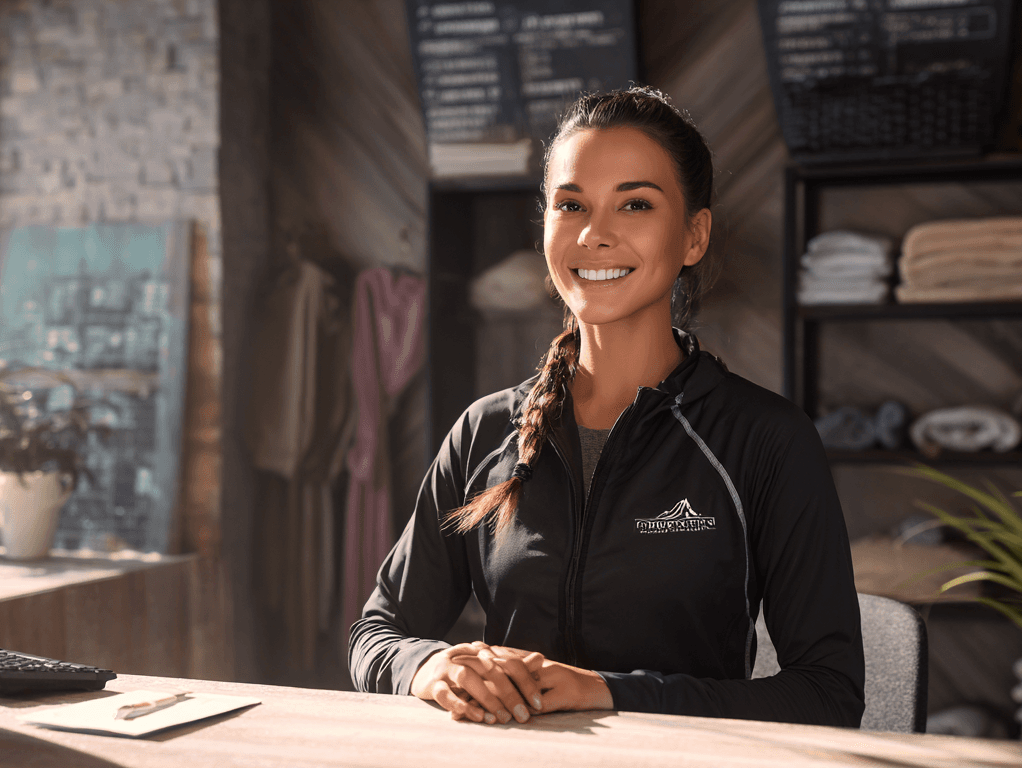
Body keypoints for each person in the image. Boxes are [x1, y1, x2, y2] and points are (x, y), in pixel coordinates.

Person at [348, 86, 864, 727]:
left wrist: (611, 691)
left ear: (693, 236)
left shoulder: (765, 440)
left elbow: (828, 695)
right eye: (571, 205)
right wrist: (429, 667)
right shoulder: (484, 433)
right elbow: (379, 632)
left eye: (636, 204)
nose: (595, 234)